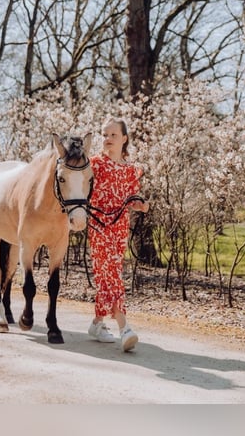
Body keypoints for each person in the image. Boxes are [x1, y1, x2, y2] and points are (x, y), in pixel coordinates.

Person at [87, 117, 149, 352]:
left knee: (108, 275)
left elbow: (131, 199)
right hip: (99, 225)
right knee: (112, 274)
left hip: (120, 228)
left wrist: (141, 205)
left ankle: (97, 324)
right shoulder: (93, 164)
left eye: (113, 135)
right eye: (104, 134)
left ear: (124, 139)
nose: (107, 139)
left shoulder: (132, 170)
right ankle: (125, 328)